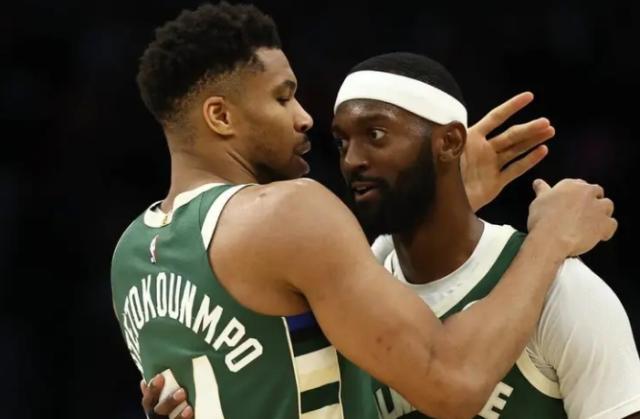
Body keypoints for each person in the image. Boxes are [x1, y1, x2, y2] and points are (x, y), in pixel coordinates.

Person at [112, 3, 617, 418]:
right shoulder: (291, 212)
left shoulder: (131, 256)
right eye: (283, 99)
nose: (304, 118)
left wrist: (442, 195)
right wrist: (550, 237)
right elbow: (454, 383)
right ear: (221, 116)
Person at [334, 53, 640, 419]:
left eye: (375, 135)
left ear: (450, 142)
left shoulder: (564, 290)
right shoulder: (354, 297)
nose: (351, 160)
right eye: (342, 142)